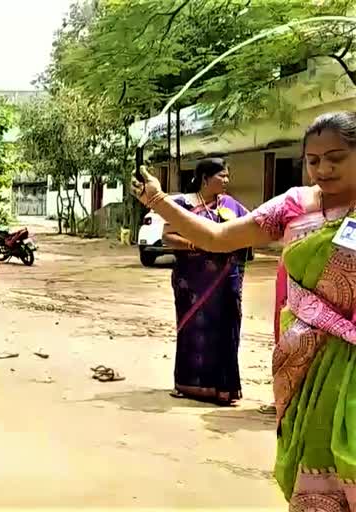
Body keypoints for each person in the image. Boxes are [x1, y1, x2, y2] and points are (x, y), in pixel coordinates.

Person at [132, 111, 356, 509]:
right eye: (313, 160)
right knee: (317, 468)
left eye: (336, 158)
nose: (323, 169)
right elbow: (218, 237)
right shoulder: (295, 206)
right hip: (306, 365)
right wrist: (157, 199)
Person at [162, 158, 251, 406]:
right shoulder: (183, 205)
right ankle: (187, 384)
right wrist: (196, 244)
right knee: (195, 329)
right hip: (192, 283)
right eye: (221, 176)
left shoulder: (232, 206)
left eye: (227, 176)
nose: (226, 180)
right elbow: (167, 236)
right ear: (204, 178)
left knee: (226, 328)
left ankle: (224, 389)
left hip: (225, 281)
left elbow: (251, 231)